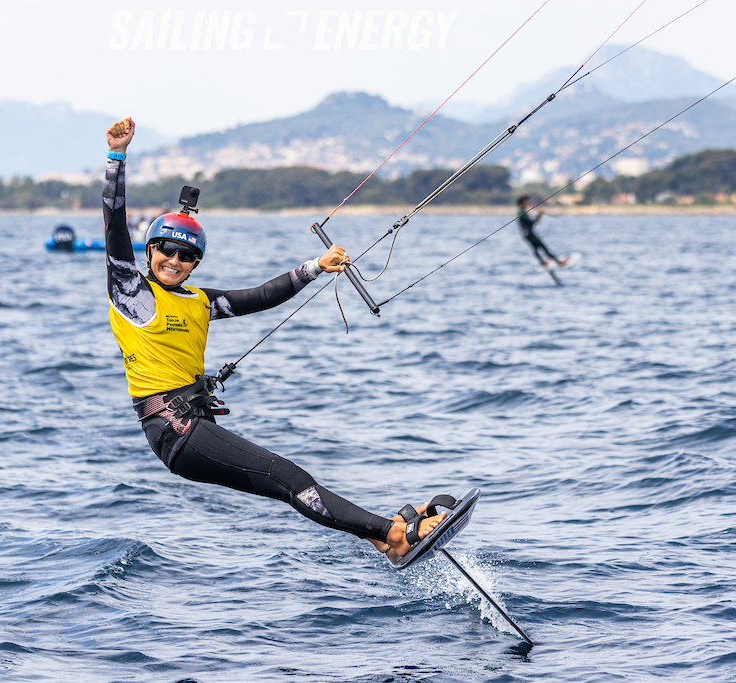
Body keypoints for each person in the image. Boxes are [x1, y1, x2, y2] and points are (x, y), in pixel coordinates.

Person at [103, 118, 446, 562]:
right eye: (166, 249)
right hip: (175, 431)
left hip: (193, 429)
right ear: (149, 250)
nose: (174, 260)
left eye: (186, 255)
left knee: (286, 483)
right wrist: (116, 157)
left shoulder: (200, 301)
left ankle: (381, 538)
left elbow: (262, 296)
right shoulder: (132, 293)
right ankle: (394, 533)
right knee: (287, 476)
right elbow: (114, 226)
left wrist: (315, 266)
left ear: (195, 263)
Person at [517, 195, 568, 269]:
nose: (527, 203)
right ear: (521, 203)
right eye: (526, 202)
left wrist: (538, 216)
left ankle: (542, 262)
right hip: (529, 234)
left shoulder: (521, 211)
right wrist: (539, 215)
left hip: (527, 234)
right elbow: (530, 223)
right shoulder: (521, 211)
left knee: (535, 248)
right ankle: (558, 262)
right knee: (542, 246)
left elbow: (530, 223)